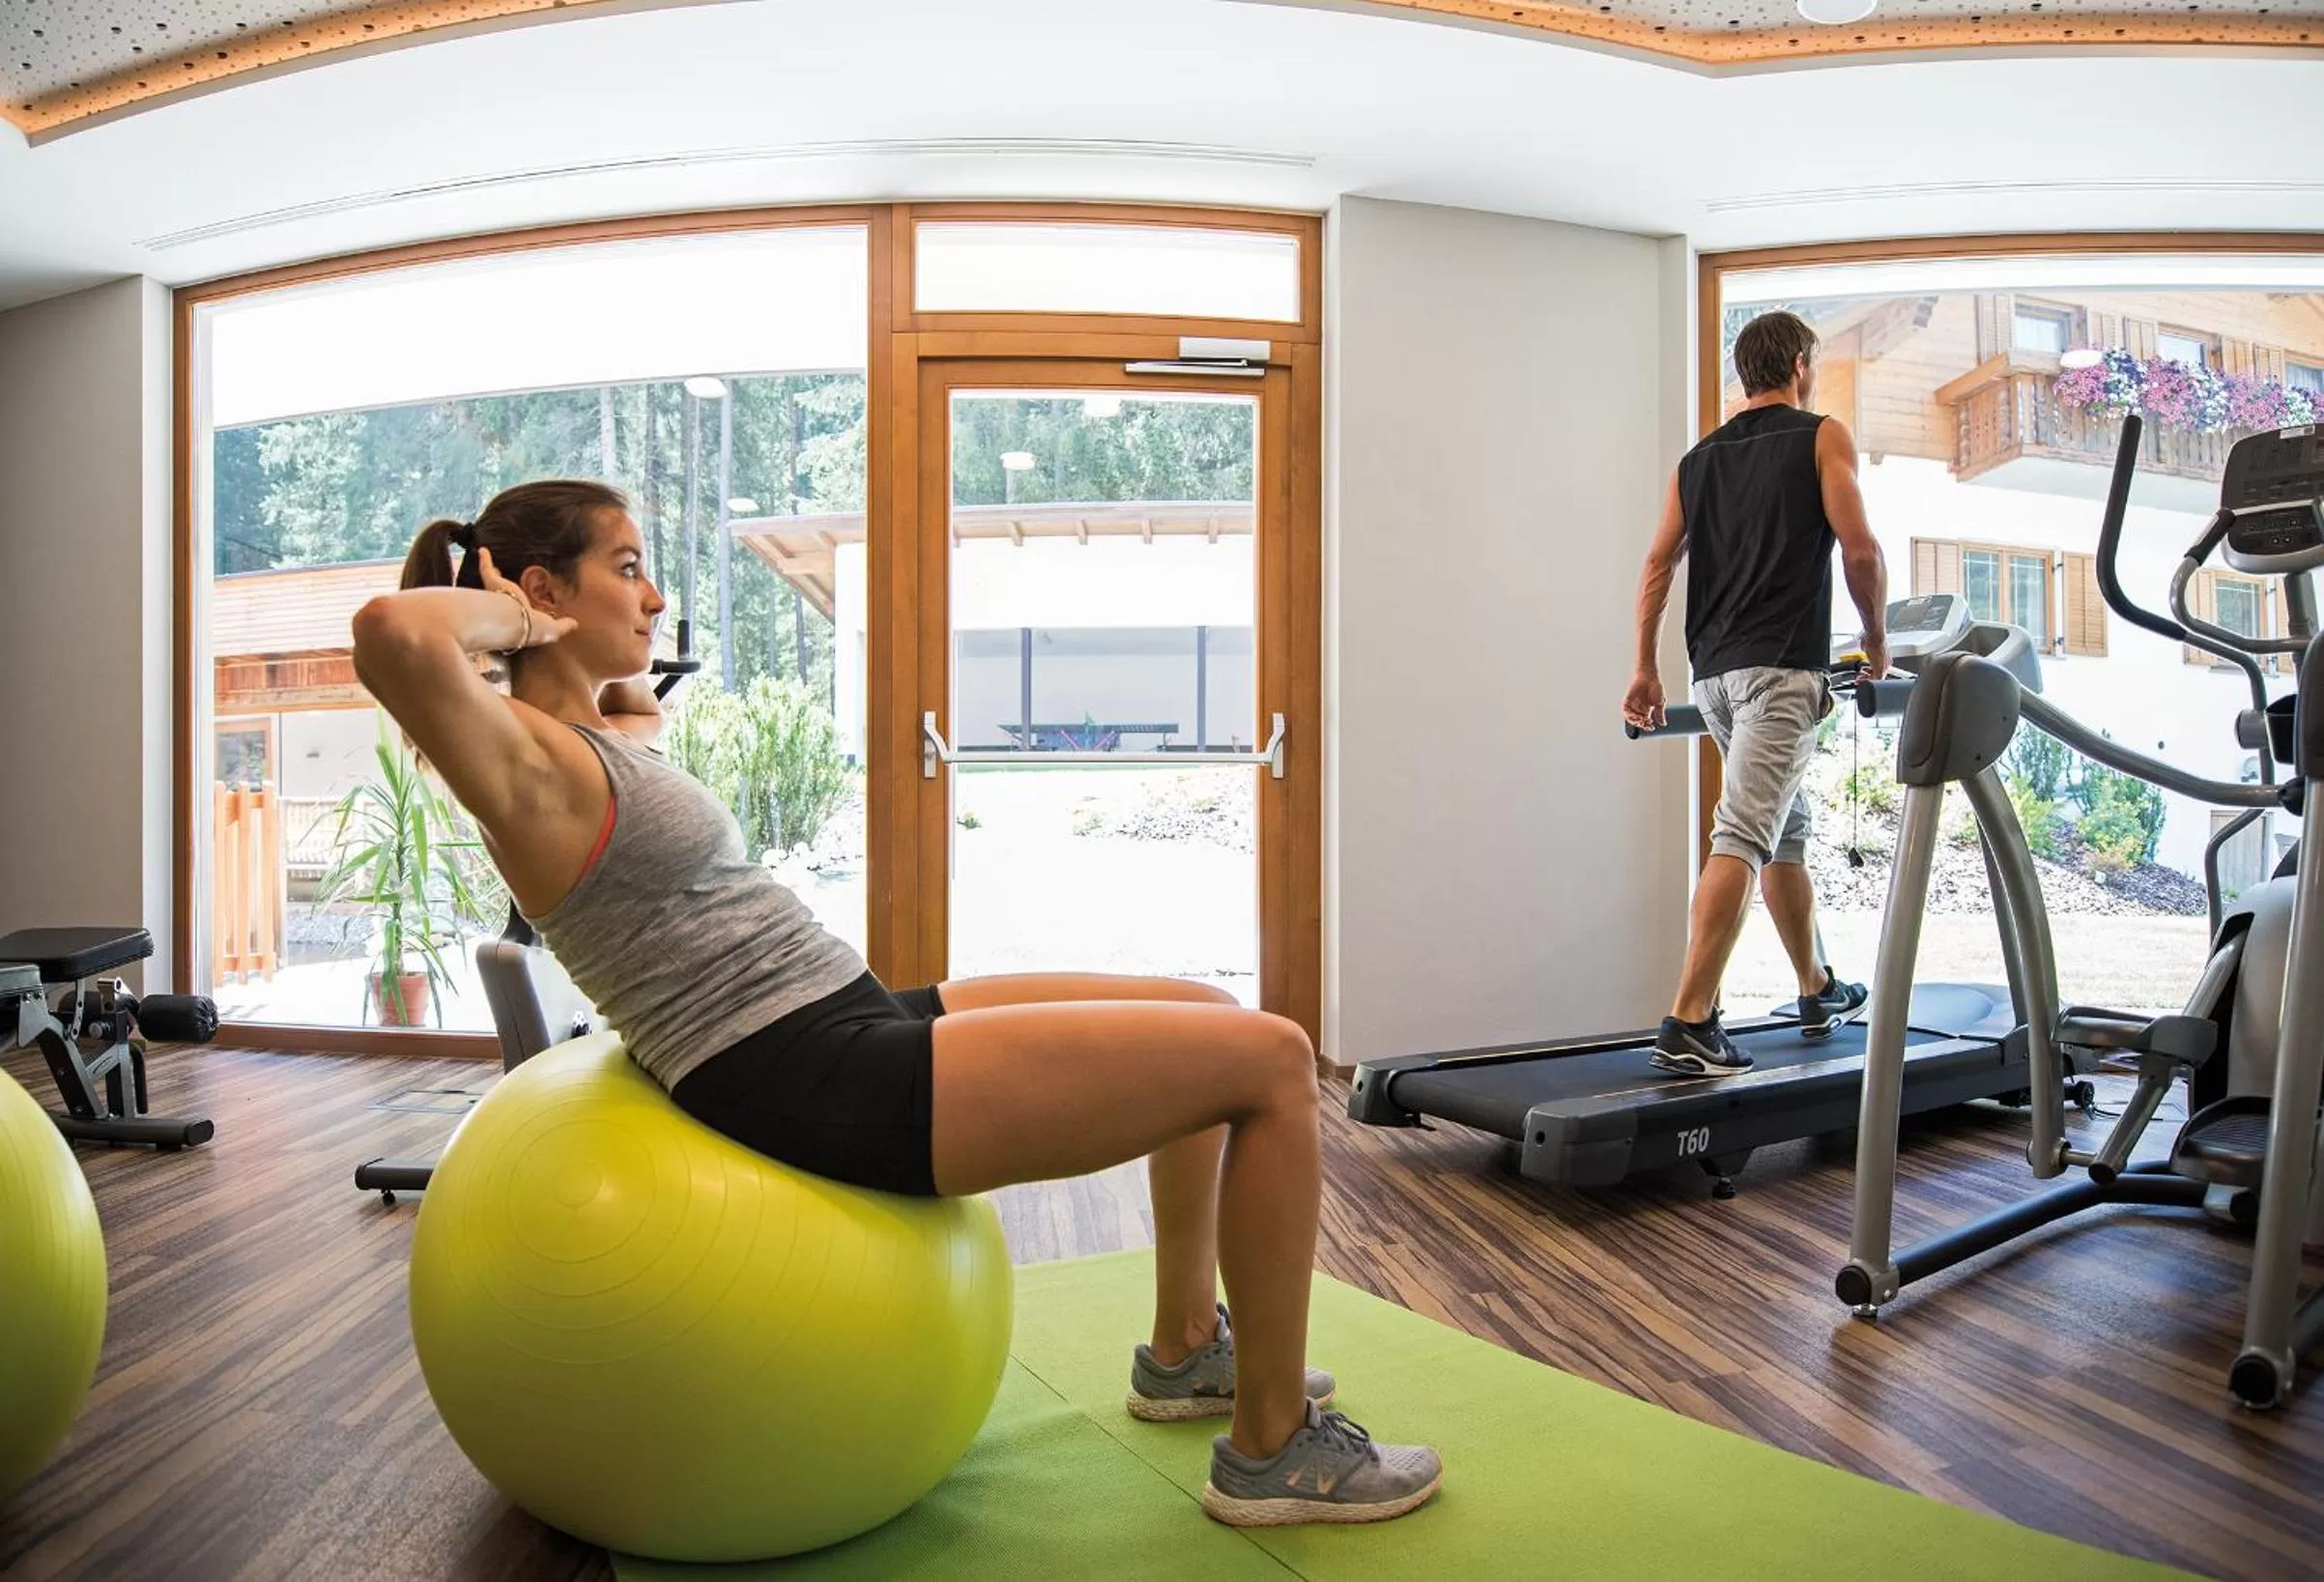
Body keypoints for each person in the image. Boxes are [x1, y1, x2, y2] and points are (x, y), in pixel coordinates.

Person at [350, 479, 1441, 1528]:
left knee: (1206, 1008)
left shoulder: (594, 736)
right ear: (543, 588)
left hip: (849, 1008)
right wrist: (518, 619)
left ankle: (1186, 1346)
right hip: (801, 1068)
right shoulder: (521, 764)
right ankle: (1273, 1446)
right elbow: (392, 632)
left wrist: (588, 654)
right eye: (627, 567)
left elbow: (629, 718)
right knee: (1274, 1057)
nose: (654, 594)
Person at [1621, 311, 1891, 1077]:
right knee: (1743, 832)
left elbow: (1656, 562)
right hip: (1779, 671)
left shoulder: (1696, 460)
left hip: (1714, 675)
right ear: (1799, 365)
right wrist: (1876, 640)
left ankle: (1815, 987)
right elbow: (1860, 550)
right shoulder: (1821, 436)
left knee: (1783, 829)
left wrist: (1644, 667)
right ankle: (1688, 1020)